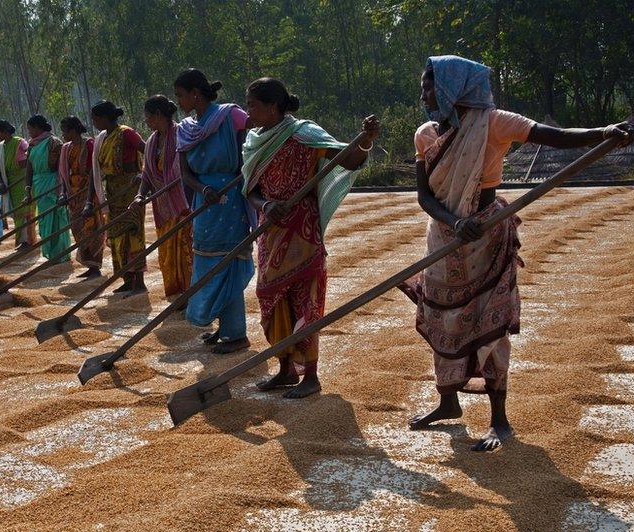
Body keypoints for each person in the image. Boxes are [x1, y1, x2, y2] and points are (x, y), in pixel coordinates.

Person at [404, 55, 634, 451]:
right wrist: (454, 223)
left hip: (488, 236)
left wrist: (602, 132)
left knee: (487, 320)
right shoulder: (426, 133)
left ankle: (499, 421)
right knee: (442, 317)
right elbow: (425, 196)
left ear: (452, 88)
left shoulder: (493, 121)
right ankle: (447, 403)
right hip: (444, 239)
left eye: (430, 86)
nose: (424, 94)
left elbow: (552, 136)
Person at [242, 77, 379, 398]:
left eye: (252, 104)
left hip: (303, 231)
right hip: (271, 232)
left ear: (273, 107)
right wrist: (267, 205)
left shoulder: (305, 134)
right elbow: (251, 191)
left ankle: (311, 376)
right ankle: (286, 369)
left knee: (307, 301)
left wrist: (365, 141)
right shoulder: (254, 142)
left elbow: (347, 160)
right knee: (270, 298)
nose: (248, 111)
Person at [174, 68, 253, 354]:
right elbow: (184, 173)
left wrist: (240, 177)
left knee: (228, 263)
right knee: (208, 264)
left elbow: (251, 149)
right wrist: (202, 189)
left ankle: (236, 334)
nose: (179, 101)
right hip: (205, 204)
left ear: (195, 93)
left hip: (231, 201)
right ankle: (223, 327)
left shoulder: (230, 116)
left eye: (181, 95)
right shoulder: (185, 129)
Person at [131, 95, 192, 298]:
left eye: (148, 117)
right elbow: (147, 174)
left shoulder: (181, 134)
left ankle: (189, 295)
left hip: (182, 204)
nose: (146, 121)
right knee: (166, 253)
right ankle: (176, 295)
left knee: (185, 253)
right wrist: (140, 195)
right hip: (161, 207)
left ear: (158, 115)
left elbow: (186, 169)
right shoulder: (151, 142)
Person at [89, 101, 147, 294]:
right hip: (113, 191)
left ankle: (139, 281)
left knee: (133, 234)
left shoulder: (126, 133)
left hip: (130, 189)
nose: (94, 122)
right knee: (116, 237)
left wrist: (143, 173)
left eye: (96, 118)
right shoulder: (102, 138)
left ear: (105, 117)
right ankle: (126, 278)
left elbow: (146, 149)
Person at [58, 116, 105, 278]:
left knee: (91, 228)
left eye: (65, 131)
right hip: (73, 194)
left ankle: (95, 267)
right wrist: (63, 193)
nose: (63, 134)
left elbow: (94, 171)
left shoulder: (89, 144)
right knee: (77, 228)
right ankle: (88, 264)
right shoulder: (66, 148)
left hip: (88, 192)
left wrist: (89, 200)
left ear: (73, 131)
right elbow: (64, 173)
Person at [25, 115, 71, 262]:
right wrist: (28, 190)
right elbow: (29, 169)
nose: (29, 132)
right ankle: (50, 253)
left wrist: (62, 187)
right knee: (44, 220)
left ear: (38, 127)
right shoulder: (32, 145)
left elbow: (62, 167)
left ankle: (61, 254)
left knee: (57, 219)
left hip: (53, 184)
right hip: (39, 185)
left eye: (30, 128)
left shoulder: (54, 142)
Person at [0, 120, 35, 249]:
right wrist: (0, 183)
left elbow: (29, 159)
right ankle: (21, 240)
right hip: (9, 184)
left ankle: (28, 240)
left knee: (26, 213)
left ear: (4, 131)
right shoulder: (0, 147)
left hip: (23, 182)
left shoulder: (20, 143)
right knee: (17, 214)